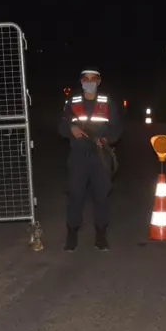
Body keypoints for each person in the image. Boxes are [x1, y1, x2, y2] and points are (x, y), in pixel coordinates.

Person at [58, 68, 124, 252]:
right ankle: (72, 236)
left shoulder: (107, 102)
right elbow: (61, 126)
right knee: (75, 196)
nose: (89, 81)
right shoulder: (73, 101)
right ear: (81, 81)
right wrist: (71, 129)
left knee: (102, 196)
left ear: (99, 81)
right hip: (78, 157)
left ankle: (101, 237)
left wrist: (106, 139)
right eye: (86, 79)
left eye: (93, 79)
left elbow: (117, 128)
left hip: (100, 157)